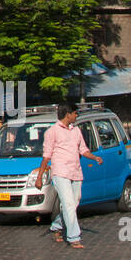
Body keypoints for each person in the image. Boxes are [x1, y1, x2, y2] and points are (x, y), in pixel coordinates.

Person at [36, 105, 103, 249]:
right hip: (60, 172)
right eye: (75, 113)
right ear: (68, 114)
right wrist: (39, 177)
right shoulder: (52, 132)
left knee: (73, 203)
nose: (76, 116)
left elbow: (83, 149)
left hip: (75, 171)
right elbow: (46, 156)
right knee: (68, 204)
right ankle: (74, 237)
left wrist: (94, 157)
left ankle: (56, 226)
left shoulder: (76, 131)